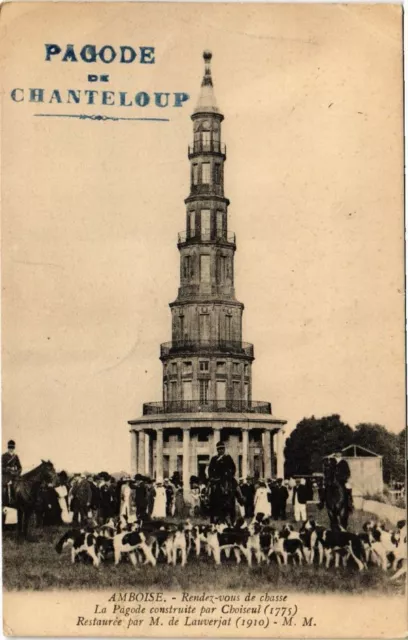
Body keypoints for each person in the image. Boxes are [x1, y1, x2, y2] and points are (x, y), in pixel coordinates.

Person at [207, 441, 237, 522]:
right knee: (210, 489)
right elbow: (210, 469)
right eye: (219, 449)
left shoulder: (228, 458)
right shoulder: (214, 459)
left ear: (224, 449)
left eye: (222, 449)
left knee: (235, 484)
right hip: (216, 479)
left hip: (226, 478)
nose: (221, 451)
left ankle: (240, 498)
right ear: (217, 450)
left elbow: (233, 468)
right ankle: (208, 500)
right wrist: (212, 477)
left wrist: (230, 475)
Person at [2, 440, 22, 505]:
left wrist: (17, 473)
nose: (11, 449)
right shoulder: (4, 456)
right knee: (4, 489)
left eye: (12, 448)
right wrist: (8, 470)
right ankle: (5, 502)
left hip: (14, 475)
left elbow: (20, 467)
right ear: (8, 448)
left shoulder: (15, 456)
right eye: (10, 448)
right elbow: (1, 468)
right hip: (6, 476)